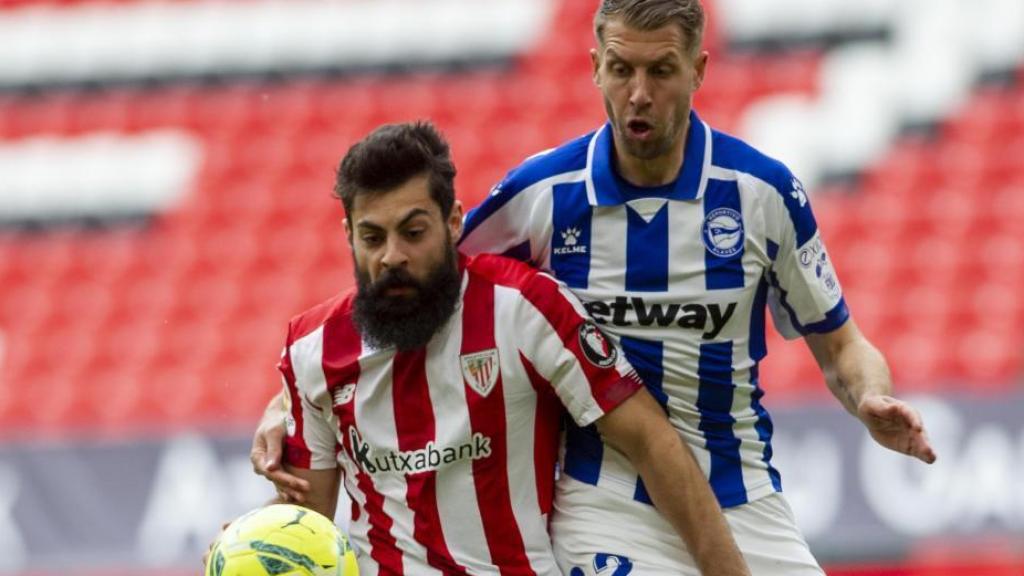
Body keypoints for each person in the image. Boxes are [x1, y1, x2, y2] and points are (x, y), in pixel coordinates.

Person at [255, 1, 937, 574]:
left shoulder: (763, 193)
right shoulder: (539, 195)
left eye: (661, 70)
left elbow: (842, 345)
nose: (638, 92)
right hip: (603, 497)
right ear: (594, 68)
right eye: (621, 69)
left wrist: (870, 394)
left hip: (743, 490)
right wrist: (286, 400)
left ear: (698, 70)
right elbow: (412, 280)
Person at [261, 121, 748, 575]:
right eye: (372, 237)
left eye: (413, 233)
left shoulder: (525, 309)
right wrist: (252, 545)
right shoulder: (312, 351)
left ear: (453, 223)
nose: (392, 256)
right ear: (348, 236)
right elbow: (308, 520)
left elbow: (650, 440)